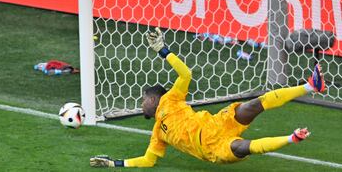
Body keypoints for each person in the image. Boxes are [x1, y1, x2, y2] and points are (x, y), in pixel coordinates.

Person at [90, 27, 326, 168]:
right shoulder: (157, 133)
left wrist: (164, 51)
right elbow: (148, 161)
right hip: (211, 147)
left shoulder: (172, 97)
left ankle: (309, 85)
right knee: (245, 147)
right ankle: (291, 138)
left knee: (254, 104)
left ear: (154, 98)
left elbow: (185, 73)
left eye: (143, 98)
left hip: (216, 122)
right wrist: (115, 163)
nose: (142, 103)